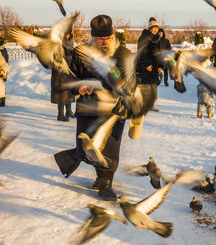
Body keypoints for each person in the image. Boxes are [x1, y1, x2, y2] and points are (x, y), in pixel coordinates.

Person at [54, 14, 132, 201]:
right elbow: (68, 77)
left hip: (114, 110)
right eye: (99, 39)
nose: (103, 43)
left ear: (112, 36)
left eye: (107, 39)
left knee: (110, 149)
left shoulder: (123, 55)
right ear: (92, 37)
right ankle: (99, 176)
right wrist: (79, 86)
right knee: (87, 148)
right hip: (87, 109)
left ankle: (105, 185)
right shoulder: (81, 53)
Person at [136, 17, 163, 111]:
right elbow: (140, 53)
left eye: (156, 29)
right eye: (153, 29)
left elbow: (159, 54)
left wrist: (160, 66)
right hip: (146, 67)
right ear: (149, 29)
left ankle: (151, 105)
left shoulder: (157, 39)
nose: (155, 31)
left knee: (153, 86)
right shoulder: (143, 38)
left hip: (154, 67)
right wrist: (145, 65)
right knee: (146, 87)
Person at [51, 33, 75, 122]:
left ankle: (68, 111)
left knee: (69, 92)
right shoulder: (58, 46)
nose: (68, 36)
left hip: (68, 72)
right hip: (59, 74)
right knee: (61, 94)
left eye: (69, 34)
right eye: (66, 34)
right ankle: (60, 114)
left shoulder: (70, 44)